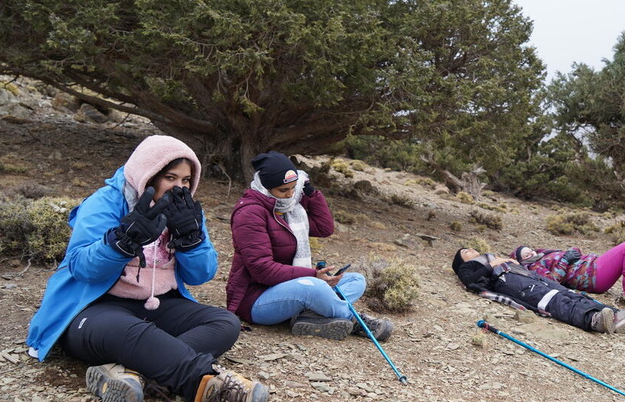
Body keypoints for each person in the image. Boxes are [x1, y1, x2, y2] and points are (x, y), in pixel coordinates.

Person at [25, 135, 267, 402]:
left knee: (224, 322)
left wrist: (190, 238)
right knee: (129, 331)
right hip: (93, 311)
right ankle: (209, 384)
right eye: (170, 177)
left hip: (156, 304)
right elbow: (83, 268)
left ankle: (131, 373)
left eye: (185, 180)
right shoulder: (105, 202)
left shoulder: (186, 212)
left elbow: (201, 275)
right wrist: (123, 240)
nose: (179, 187)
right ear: (148, 174)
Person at [226, 151, 393, 341]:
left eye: (293, 187)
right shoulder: (249, 213)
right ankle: (356, 322)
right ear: (266, 187)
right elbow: (262, 270)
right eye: (283, 190)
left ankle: (310, 316)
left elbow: (324, 228)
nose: (290, 194)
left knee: (356, 280)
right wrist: (312, 275)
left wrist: (311, 192)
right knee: (314, 287)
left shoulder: (291, 209)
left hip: (291, 286)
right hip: (256, 300)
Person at [452, 248, 625, 334]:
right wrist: (495, 263)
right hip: (511, 282)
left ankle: (615, 315)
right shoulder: (466, 267)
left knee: (566, 293)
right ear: (462, 260)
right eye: (465, 251)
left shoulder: (489, 256)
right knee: (551, 300)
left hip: (525, 276)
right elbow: (471, 281)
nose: (470, 249)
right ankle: (595, 320)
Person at [511, 241, 625, 310]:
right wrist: (565, 259)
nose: (531, 252)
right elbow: (552, 281)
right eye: (526, 254)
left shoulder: (544, 255)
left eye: (530, 249)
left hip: (592, 268)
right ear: (522, 260)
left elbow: (569, 256)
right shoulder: (534, 266)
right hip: (592, 277)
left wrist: (573, 252)